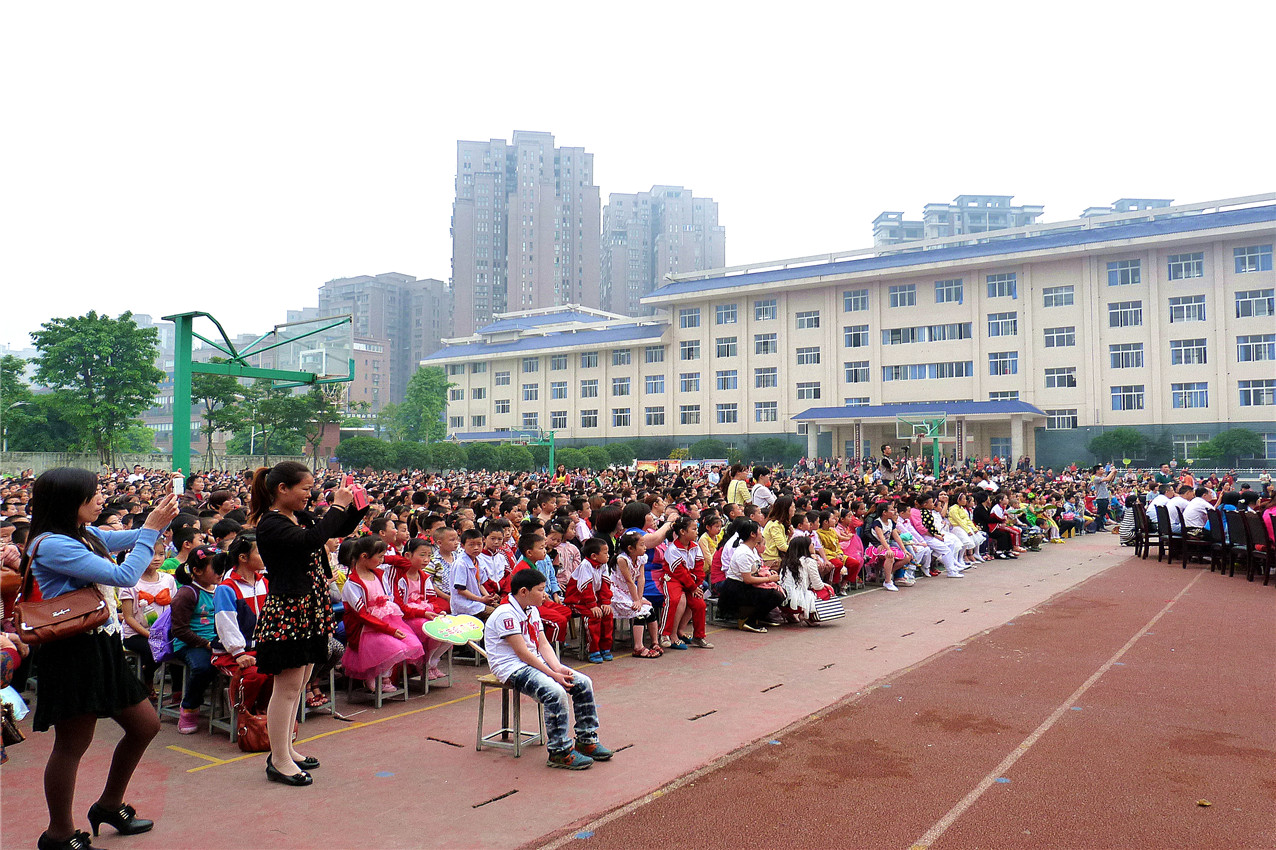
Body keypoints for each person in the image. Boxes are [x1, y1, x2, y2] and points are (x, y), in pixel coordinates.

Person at [24, 467, 178, 850]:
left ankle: (109, 805)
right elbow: (124, 576)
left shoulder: (84, 533)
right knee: (72, 744)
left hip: (102, 645)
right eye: (92, 493)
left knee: (145, 726)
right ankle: (58, 833)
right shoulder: (52, 544)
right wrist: (150, 529)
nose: (100, 499)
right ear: (68, 501)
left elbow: (130, 537)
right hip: (72, 651)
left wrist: (157, 520)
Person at [250, 461, 367, 787]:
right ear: (282, 489)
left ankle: (286, 749)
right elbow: (312, 540)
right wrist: (337, 505)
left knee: (299, 684)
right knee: (286, 689)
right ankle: (278, 759)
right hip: (288, 613)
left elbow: (335, 529)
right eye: (305, 488)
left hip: (309, 610)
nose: (309, 495)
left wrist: (356, 504)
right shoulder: (271, 523)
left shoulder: (297, 517)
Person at [484, 567, 613, 770]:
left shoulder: (532, 610)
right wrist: (552, 675)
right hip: (511, 668)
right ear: (524, 591)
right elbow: (521, 653)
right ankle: (559, 751)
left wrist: (557, 668)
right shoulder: (505, 613)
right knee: (555, 692)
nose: (545, 594)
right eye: (540, 590)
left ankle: (586, 740)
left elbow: (543, 644)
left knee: (583, 682)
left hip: (534, 662)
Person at [340, 535, 425, 693]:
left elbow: (389, 596)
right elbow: (362, 615)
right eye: (379, 557)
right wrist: (390, 630)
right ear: (364, 556)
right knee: (392, 645)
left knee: (411, 643)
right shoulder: (352, 584)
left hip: (386, 622)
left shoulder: (380, 574)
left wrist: (391, 627)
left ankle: (385, 675)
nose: (381, 560)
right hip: (364, 628)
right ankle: (374, 674)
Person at [169, 545, 223, 734]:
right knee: (203, 667)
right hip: (189, 644)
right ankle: (189, 707)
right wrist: (205, 643)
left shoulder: (222, 589)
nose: (220, 571)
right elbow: (179, 630)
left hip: (216, 640)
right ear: (197, 571)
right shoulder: (187, 593)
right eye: (215, 567)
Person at [118, 541, 178, 696]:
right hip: (136, 634)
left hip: (163, 631)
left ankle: (177, 692)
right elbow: (128, 617)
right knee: (154, 648)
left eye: (161, 554)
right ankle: (146, 682)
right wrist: (150, 635)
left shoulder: (168, 580)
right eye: (151, 554)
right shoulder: (131, 582)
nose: (157, 558)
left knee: (179, 647)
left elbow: (174, 609)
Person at [564, 537, 614, 663]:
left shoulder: (603, 565)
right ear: (594, 556)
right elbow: (586, 588)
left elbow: (605, 585)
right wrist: (592, 605)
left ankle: (605, 647)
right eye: (605, 553)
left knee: (607, 613)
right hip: (577, 600)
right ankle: (593, 650)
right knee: (593, 616)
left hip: (593, 599)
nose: (608, 555)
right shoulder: (585, 565)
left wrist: (605, 603)